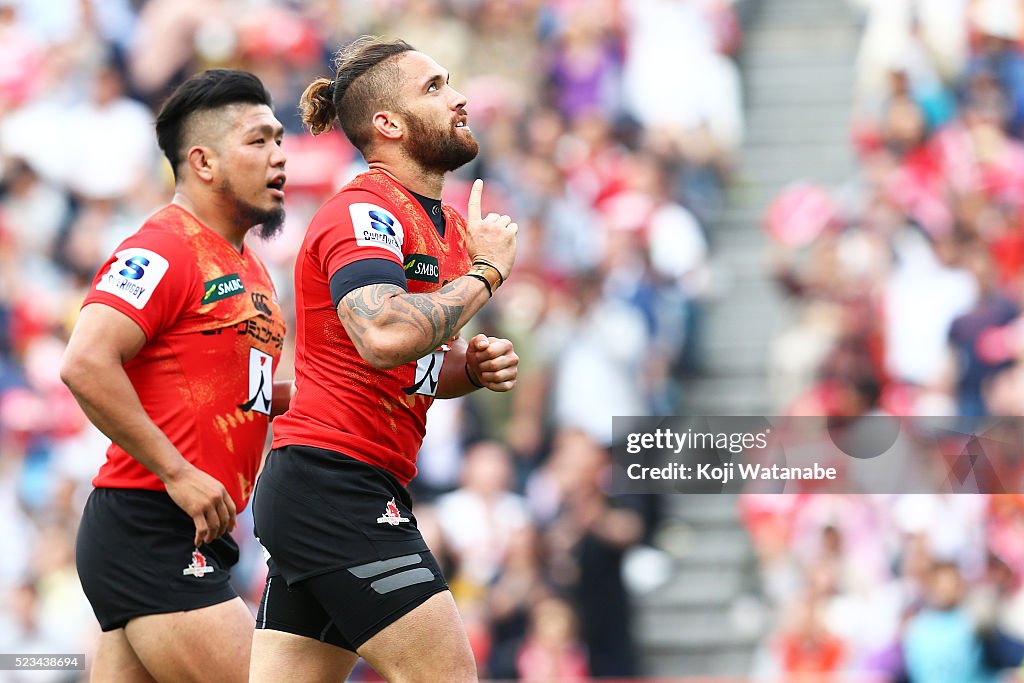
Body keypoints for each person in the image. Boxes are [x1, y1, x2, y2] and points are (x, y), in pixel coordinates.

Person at [249, 36, 519, 682]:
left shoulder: (448, 227)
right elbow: (383, 333)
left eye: (451, 82)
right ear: (388, 124)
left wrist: (469, 371)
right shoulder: (364, 210)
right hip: (335, 483)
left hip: (332, 485)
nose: (458, 97)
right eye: (433, 87)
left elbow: (407, 367)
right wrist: (486, 274)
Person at [60, 69, 289, 683]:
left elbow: (248, 393)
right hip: (150, 524)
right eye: (258, 141)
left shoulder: (252, 267)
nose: (280, 157)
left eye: (280, 139)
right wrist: (178, 472)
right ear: (203, 163)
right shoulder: (163, 248)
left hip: (197, 530)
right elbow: (84, 362)